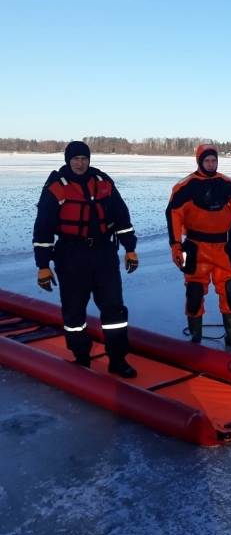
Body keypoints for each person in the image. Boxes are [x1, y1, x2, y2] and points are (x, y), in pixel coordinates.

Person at [32, 141, 139, 378]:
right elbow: (43, 230)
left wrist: (130, 248)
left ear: (89, 160)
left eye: (84, 158)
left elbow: (121, 217)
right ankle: (82, 358)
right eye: (75, 159)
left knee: (114, 311)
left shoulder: (103, 183)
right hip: (71, 256)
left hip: (104, 254)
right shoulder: (56, 188)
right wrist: (43, 266)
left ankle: (118, 360)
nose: (80, 163)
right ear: (68, 160)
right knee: (74, 313)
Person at [166, 144, 231, 348]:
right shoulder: (186, 186)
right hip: (197, 249)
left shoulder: (226, 184)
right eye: (207, 160)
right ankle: (196, 337)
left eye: (214, 160)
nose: (211, 164)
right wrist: (175, 246)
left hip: (224, 248)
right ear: (199, 161)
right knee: (195, 292)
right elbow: (174, 215)